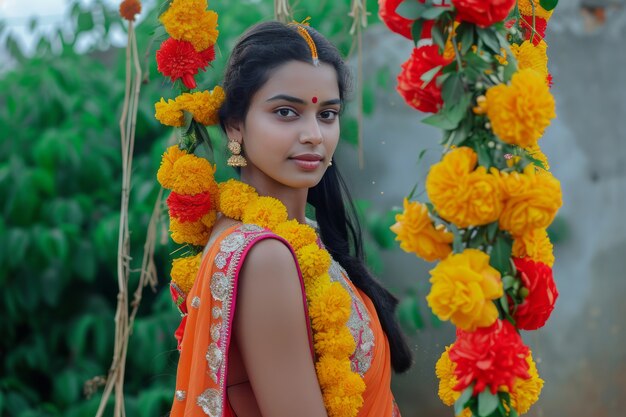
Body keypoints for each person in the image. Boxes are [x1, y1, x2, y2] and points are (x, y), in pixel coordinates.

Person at [169, 20, 413, 417]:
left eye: (327, 114)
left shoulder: (294, 237)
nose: (314, 134)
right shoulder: (265, 255)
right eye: (286, 112)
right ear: (235, 126)